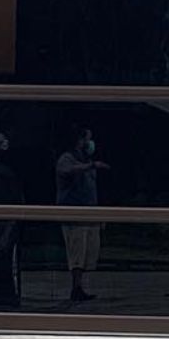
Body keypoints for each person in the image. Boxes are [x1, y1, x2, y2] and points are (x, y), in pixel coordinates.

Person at [55, 127, 109, 302]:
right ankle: (75, 288)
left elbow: (92, 191)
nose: (90, 143)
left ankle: (81, 288)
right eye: (87, 139)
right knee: (77, 253)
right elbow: (67, 171)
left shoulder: (87, 160)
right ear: (78, 140)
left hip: (89, 214)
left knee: (88, 253)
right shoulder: (66, 159)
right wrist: (91, 166)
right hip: (74, 214)